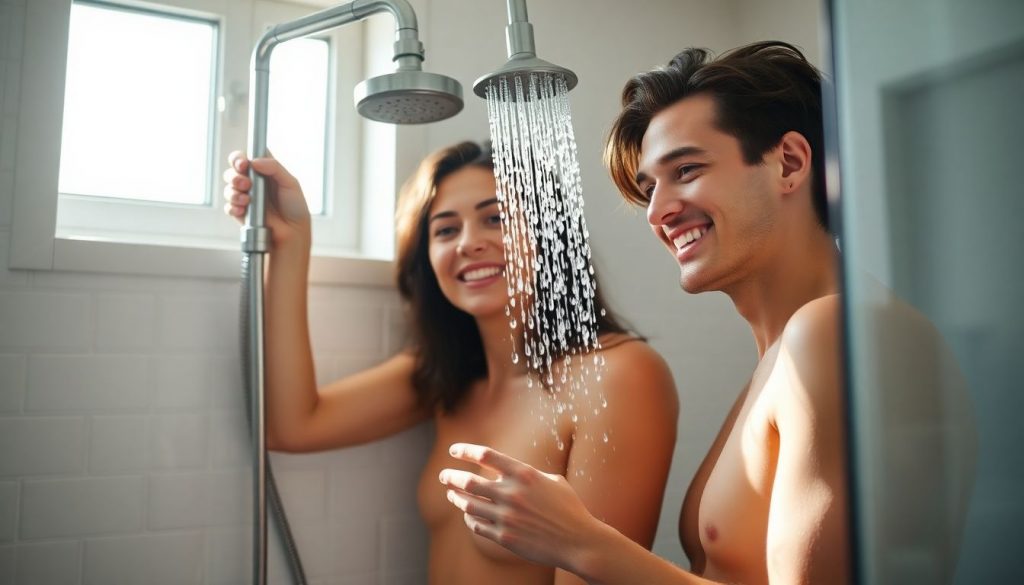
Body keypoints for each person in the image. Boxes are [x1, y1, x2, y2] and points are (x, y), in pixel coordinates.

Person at [440, 42, 854, 584]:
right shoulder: (780, 360)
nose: (657, 212)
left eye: (686, 169)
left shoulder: (824, 334)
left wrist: (581, 542)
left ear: (790, 164)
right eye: (649, 188)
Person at [223, 140, 679, 585]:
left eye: (495, 219)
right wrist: (291, 240)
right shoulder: (449, 378)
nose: (468, 243)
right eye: (445, 229)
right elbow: (290, 426)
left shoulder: (617, 375)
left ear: (549, 232)